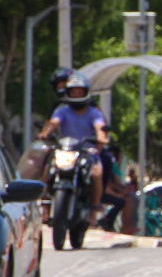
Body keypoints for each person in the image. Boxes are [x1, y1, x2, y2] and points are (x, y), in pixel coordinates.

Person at [38, 72, 110, 220]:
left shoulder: (94, 112)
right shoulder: (62, 110)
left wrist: (101, 137)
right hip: (65, 150)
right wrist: (46, 132)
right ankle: (45, 206)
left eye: (80, 92)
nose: (77, 95)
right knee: (48, 168)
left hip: (87, 151)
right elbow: (53, 123)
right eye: (73, 92)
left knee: (97, 173)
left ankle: (94, 211)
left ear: (86, 92)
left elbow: (99, 126)